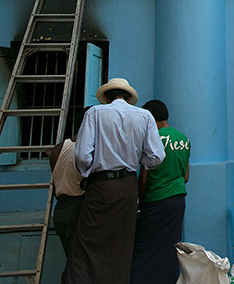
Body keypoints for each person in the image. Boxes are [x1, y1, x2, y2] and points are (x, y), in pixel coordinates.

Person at [67, 78, 165, 284]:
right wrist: (138, 161)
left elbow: (82, 156)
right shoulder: (144, 116)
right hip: (128, 186)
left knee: (87, 244)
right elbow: (156, 156)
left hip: (101, 185)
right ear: (129, 98)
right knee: (121, 244)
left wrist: (88, 172)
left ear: (107, 98)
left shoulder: (95, 113)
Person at [131, 100, 190, 284]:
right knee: (170, 248)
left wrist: (141, 202)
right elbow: (186, 176)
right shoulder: (184, 139)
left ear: (151, 120)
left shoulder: (153, 140)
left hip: (155, 200)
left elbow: (144, 178)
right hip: (178, 200)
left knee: (143, 249)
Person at [50, 105, 91, 284]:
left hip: (61, 208)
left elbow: (55, 183)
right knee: (80, 264)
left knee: (73, 259)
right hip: (78, 207)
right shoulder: (84, 153)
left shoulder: (59, 149)